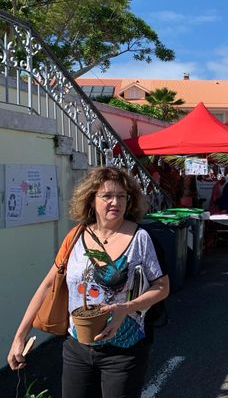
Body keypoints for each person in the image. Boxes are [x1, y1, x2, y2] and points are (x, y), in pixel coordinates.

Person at [7, 166, 170, 398]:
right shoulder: (75, 237)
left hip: (125, 349)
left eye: (122, 196)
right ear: (91, 200)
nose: (116, 202)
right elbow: (46, 286)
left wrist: (127, 308)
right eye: (107, 196)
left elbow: (162, 287)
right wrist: (19, 336)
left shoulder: (141, 239)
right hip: (77, 348)